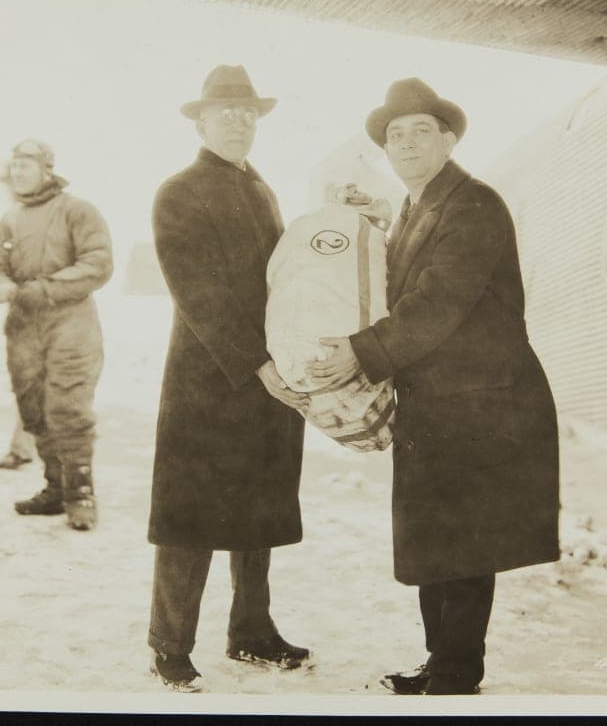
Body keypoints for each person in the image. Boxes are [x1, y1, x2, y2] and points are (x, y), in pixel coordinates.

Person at [310, 78, 561, 695]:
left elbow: (437, 301)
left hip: (482, 400)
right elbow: (390, 281)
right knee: (436, 538)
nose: (407, 143)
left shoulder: (473, 203)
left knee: (464, 541)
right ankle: (441, 663)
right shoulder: (419, 209)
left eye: (422, 130)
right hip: (438, 400)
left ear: (448, 140)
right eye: (395, 135)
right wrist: (362, 227)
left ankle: (455, 671)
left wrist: (361, 353)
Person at [147, 65, 311, 692]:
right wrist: (259, 365)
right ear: (200, 120)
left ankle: (251, 633)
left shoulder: (261, 190)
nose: (240, 122)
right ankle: (168, 645)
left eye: (249, 114)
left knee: (257, 508)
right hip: (207, 384)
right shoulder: (179, 191)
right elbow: (199, 295)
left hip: (265, 378)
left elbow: (285, 276)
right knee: (190, 519)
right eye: (226, 113)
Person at [0, 139, 113, 529]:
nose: (18, 172)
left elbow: (98, 263)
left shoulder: (78, 211)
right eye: (15, 165)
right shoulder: (11, 219)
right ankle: (55, 488)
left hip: (70, 325)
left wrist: (46, 288)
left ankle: (80, 496)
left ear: (47, 169)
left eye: (26, 165)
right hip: (23, 329)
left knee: (68, 410)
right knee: (33, 408)